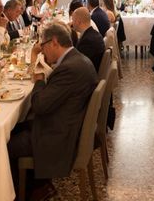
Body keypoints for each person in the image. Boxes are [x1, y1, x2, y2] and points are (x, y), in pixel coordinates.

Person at [7, 21, 98, 196]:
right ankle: (38, 185)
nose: (42, 50)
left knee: (6, 145)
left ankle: (29, 193)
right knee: (15, 127)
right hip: (66, 123)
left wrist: (40, 79)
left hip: (58, 137)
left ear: (54, 42)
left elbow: (40, 105)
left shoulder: (70, 68)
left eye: (43, 45)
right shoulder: (77, 59)